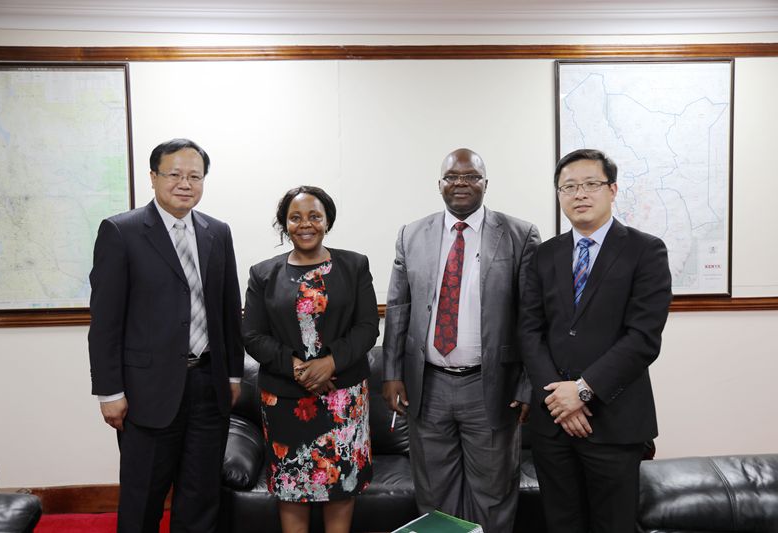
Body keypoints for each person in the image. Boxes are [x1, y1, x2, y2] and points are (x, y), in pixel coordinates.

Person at [88, 138, 243, 532]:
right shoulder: (121, 232)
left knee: (201, 496)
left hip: (208, 384)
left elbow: (228, 309)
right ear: (153, 177)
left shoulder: (217, 232)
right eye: (174, 174)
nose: (184, 183)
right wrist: (109, 392)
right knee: (143, 498)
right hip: (146, 391)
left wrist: (233, 375)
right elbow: (105, 322)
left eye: (195, 176)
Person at [382, 148, 541, 532]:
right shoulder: (411, 234)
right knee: (434, 494)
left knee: (494, 493)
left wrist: (527, 383)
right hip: (428, 385)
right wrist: (392, 373)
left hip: (491, 386)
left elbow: (532, 315)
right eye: (452, 177)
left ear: (486, 184)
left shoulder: (520, 235)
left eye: (471, 177)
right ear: (439, 184)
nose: (461, 184)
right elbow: (398, 307)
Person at [519, 148, 672, 533]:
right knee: (561, 523)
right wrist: (559, 400)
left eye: (591, 184)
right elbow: (529, 331)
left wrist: (583, 391)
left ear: (612, 189)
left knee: (614, 525)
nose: (580, 194)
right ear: (559, 194)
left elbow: (643, 338)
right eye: (569, 187)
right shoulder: (543, 255)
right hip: (553, 423)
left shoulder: (645, 250)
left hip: (614, 420)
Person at [242, 186, 379, 533]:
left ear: (327, 221)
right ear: (284, 224)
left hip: (343, 399)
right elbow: (252, 335)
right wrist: (299, 369)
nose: (306, 224)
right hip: (284, 399)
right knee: (291, 489)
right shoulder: (263, 274)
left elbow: (367, 327)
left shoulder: (354, 265)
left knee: (341, 487)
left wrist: (330, 363)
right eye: (296, 217)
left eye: (315, 216)